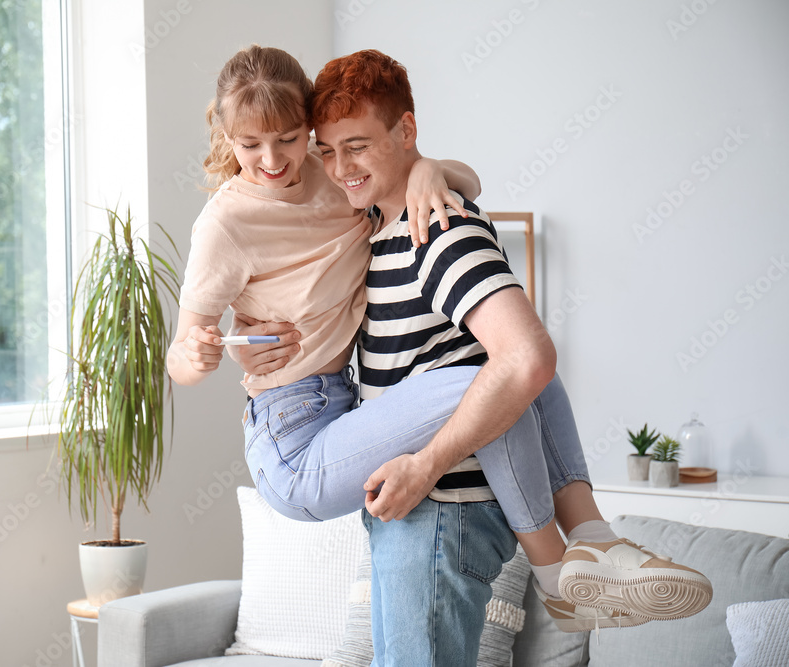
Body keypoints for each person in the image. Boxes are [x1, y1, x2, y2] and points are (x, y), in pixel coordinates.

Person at [168, 46, 710, 664]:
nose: (272, 160)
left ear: (307, 130)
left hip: (345, 415)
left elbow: (429, 175)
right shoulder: (226, 222)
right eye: (250, 145)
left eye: (291, 139)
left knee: (519, 372)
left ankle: (592, 540)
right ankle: (560, 574)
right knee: (496, 370)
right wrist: (201, 352)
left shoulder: (334, 178)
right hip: (291, 441)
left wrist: (427, 168)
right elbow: (181, 358)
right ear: (227, 136)